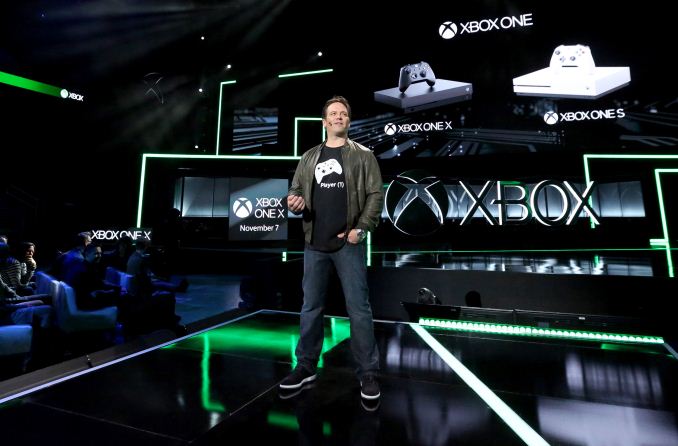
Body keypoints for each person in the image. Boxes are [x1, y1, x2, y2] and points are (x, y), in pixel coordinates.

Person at [280, 96, 384, 400]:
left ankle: (368, 372)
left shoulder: (364, 156)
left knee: (359, 309)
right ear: (325, 121)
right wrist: (293, 202)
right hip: (314, 243)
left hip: (347, 244)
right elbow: (295, 191)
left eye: (343, 113)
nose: (339, 117)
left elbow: (375, 194)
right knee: (310, 307)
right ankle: (306, 365)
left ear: (348, 121)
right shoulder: (309, 156)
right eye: (333, 113)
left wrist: (361, 229)